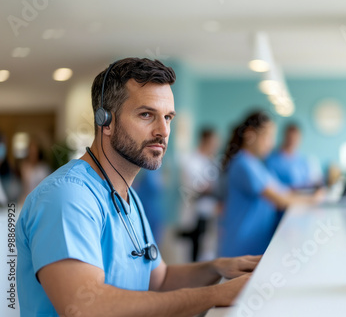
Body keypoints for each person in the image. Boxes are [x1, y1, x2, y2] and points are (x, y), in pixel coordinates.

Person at [16, 58, 259, 317]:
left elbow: (159, 280)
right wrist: (215, 295)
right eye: (147, 115)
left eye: (168, 117)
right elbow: (85, 307)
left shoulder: (127, 196)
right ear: (105, 121)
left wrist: (218, 268)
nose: (163, 131)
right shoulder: (67, 196)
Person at [219, 111, 325, 258]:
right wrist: (313, 199)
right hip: (242, 245)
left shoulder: (255, 164)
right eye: (268, 137)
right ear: (250, 135)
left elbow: (283, 191)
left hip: (255, 243)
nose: (272, 143)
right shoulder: (243, 164)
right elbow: (280, 200)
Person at [177, 128, 221, 262]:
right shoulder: (191, 160)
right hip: (195, 211)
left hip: (209, 211)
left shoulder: (212, 161)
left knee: (206, 247)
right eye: (213, 143)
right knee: (192, 250)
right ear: (204, 141)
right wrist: (211, 187)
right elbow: (197, 187)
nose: (215, 147)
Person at [266, 123, 323, 190]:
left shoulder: (304, 160)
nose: (292, 141)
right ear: (285, 137)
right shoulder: (271, 160)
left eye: (295, 138)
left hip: (304, 197)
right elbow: (271, 186)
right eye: (290, 138)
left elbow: (314, 180)